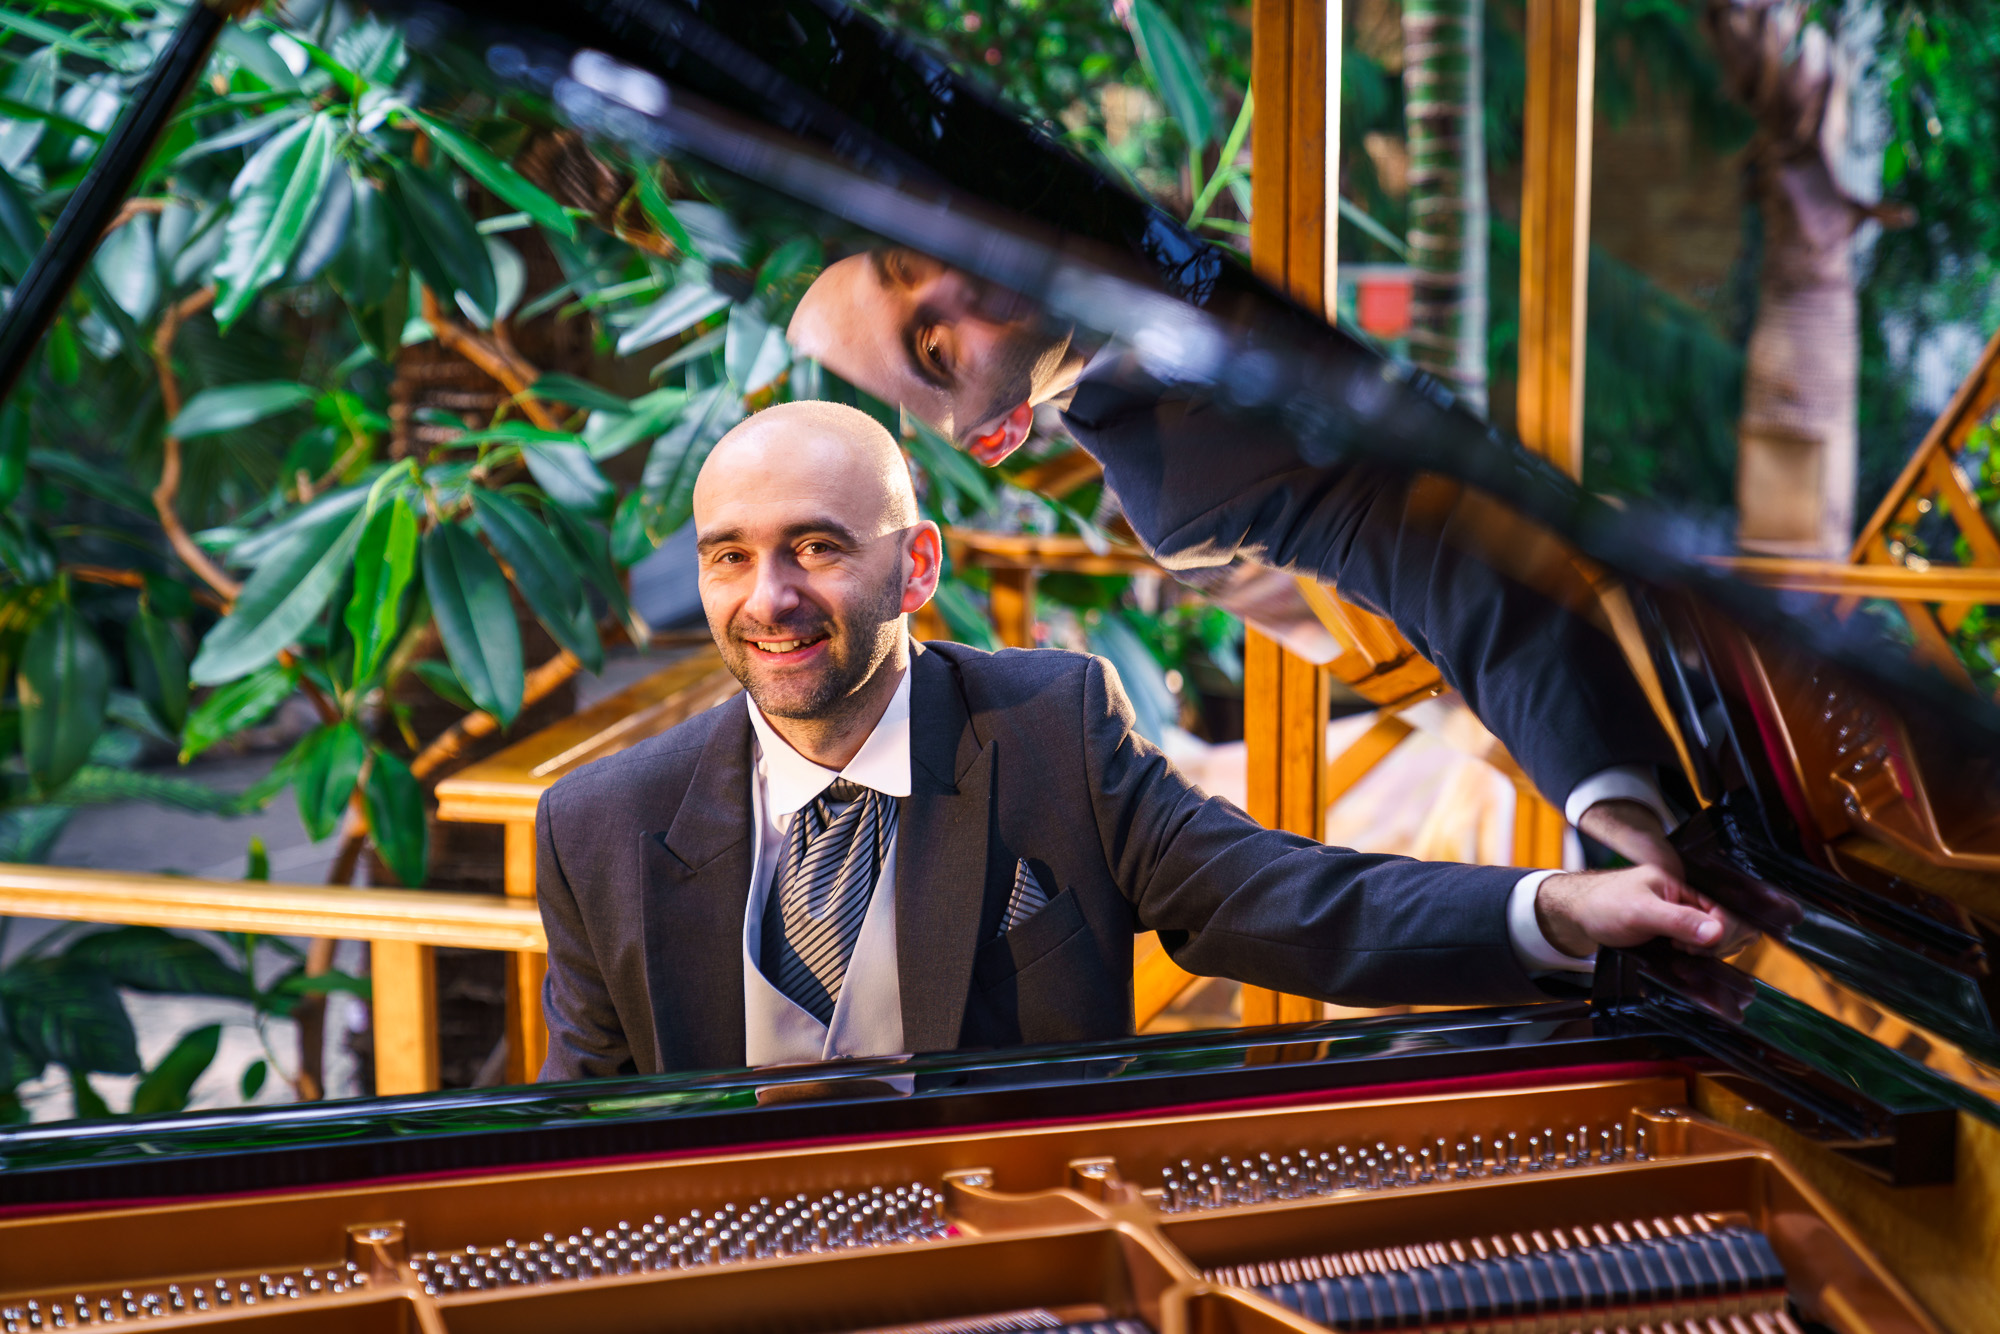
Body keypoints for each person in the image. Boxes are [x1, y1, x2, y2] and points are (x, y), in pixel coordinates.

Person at [534, 401, 1739, 1081]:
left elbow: (1279, 896)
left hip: (1027, 1277)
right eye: (728, 555)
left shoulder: (1049, 728)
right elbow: (577, 1132)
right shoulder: (597, 824)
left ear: (915, 567)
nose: (768, 597)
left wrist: (1556, 910)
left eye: (814, 546)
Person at [787, 248, 1691, 878]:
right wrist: (1614, 806)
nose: (953, 287)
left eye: (908, 264)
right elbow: (1442, 566)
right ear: (1000, 434)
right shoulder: (1194, 488)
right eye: (936, 351)